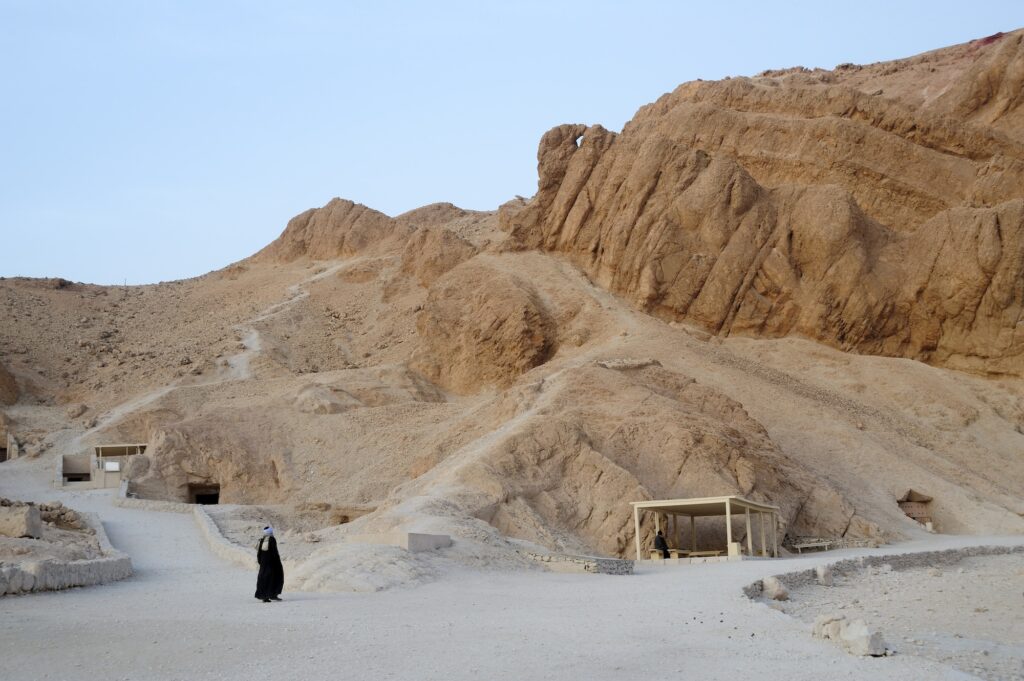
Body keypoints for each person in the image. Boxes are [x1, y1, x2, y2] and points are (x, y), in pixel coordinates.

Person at [255, 526, 284, 603]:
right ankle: (273, 595)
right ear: (271, 532)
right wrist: (277, 563)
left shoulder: (261, 540)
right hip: (272, 563)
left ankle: (264, 596)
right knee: (275, 577)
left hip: (263, 564)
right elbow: (274, 552)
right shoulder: (272, 539)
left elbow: (259, 553)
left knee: (263, 579)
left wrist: (260, 562)